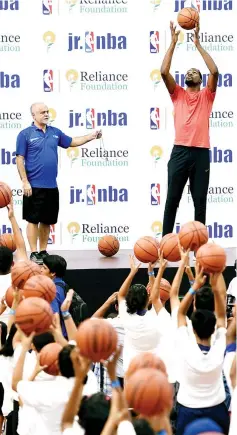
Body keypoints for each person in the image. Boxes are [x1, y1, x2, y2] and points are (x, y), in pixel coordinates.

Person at [16, 102, 102, 265]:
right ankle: (34, 252)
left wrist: (91, 136)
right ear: (33, 115)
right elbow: (19, 158)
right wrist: (25, 181)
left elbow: (72, 142)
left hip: (51, 186)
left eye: (47, 111)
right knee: (33, 220)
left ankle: (42, 251)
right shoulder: (25, 134)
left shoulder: (55, 133)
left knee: (47, 220)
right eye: (42, 112)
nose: (46, 114)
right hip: (33, 185)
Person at [160, 21, 219, 235]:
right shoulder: (178, 94)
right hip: (180, 152)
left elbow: (214, 70)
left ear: (201, 80)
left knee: (200, 203)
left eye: (195, 71)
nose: (192, 72)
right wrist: (173, 42)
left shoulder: (207, 95)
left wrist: (198, 44)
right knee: (171, 200)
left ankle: (200, 249)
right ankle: (165, 245)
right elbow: (164, 72)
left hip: (201, 153)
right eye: (189, 71)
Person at [176, 265, 230, 435]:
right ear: (214, 328)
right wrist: (215, 287)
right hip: (216, 409)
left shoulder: (185, 344)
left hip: (188, 409)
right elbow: (222, 316)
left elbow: (179, 313)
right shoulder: (220, 344)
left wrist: (195, 286)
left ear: (193, 329)